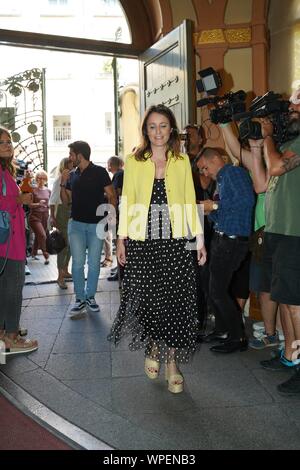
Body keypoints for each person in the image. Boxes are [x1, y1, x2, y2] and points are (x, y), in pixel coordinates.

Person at [108, 104, 206, 394]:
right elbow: (128, 202)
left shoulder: (181, 160)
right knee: (149, 299)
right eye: (152, 126)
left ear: (171, 129)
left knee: (176, 300)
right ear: (145, 130)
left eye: (163, 125)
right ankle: (153, 344)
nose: (158, 131)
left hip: (175, 241)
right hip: (144, 241)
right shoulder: (134, 161)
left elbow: (190, 201)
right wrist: (121, 239)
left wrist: (198, 240)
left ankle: (172, 364)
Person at [220, 121, 281, 350]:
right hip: (259, 232)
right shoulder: (258, 159)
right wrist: (225, 122)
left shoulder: (282, 159)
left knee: (281, 290)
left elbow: (261, 185)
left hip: (279, 229)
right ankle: (271, 333)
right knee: (264, 288)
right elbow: (236, 150)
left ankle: (284, 337)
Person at [257, 88, 300, 395]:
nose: (290, 113)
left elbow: (275, 168)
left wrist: (269, 136)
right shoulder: (286, 142)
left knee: (296, 305)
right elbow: (264, 179)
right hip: (279, 230)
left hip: (295, 233)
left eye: (295, 109)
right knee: (285, 299)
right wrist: (262, 140)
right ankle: (290, 355)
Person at [197, 147, 255, 353]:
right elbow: (224, 211)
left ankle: (237, 337)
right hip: (223, 238)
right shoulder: (221, 179)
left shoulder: (232, 173)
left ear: (215, 160)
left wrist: (212, 207)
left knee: (218, 291)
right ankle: (222, 330)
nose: (204, 173)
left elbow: (246, 200)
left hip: (233, 241)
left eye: (204, 167)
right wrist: (208, 211)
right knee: (212, 287)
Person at [60, 140, 117, 318]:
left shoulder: (100, 172)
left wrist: (109, 219)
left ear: (80, 155)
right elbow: (65, 200)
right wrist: (63, 182)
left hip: (97, 225)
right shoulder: (73, 175)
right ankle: (80, 299)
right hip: (75, 224)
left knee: (93, 264)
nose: (70, 158)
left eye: (71, 154)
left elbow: (112, 195)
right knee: (77, 264)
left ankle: (90, 297)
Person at [0, 126, 38, 355]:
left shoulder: (6, 171)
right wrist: (18, 199)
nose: (7, 145)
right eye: (2, 142)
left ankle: (5, 332)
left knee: (6, 288)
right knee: (13, 288)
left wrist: (22, 201)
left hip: (9, 240)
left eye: (9, 142)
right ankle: (12, 337)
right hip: (7, 244)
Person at [49, 157, 73, 289]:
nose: (72, 166)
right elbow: (52, 201)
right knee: (63, 246)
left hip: (71, 213)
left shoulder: (73, 179)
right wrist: (52, 217)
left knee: (70, 245)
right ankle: (60, 277)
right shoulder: (59, 180)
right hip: (62, 214)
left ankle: (65, 270)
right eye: (70, 164)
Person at [106, 156, 124, 282]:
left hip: (119, 211)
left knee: (119, 241)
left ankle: (120, 271)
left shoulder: (118, 175)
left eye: (109, 164)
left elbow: (115, 193)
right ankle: (119, 269)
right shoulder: (121, 174)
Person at [28, 169, 51, 264]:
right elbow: (29, 205)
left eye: (42, 178)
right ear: (36, 179)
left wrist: (49, 206)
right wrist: (38, 204)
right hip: (35, 216)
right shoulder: (33, 190)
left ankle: (33, 253)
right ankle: (46, 254)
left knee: (39, 236)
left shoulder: (49, 190)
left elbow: (51, 203)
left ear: (46, 179)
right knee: (42, 234)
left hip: (45, 216)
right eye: (38, 178)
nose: (40, 180)